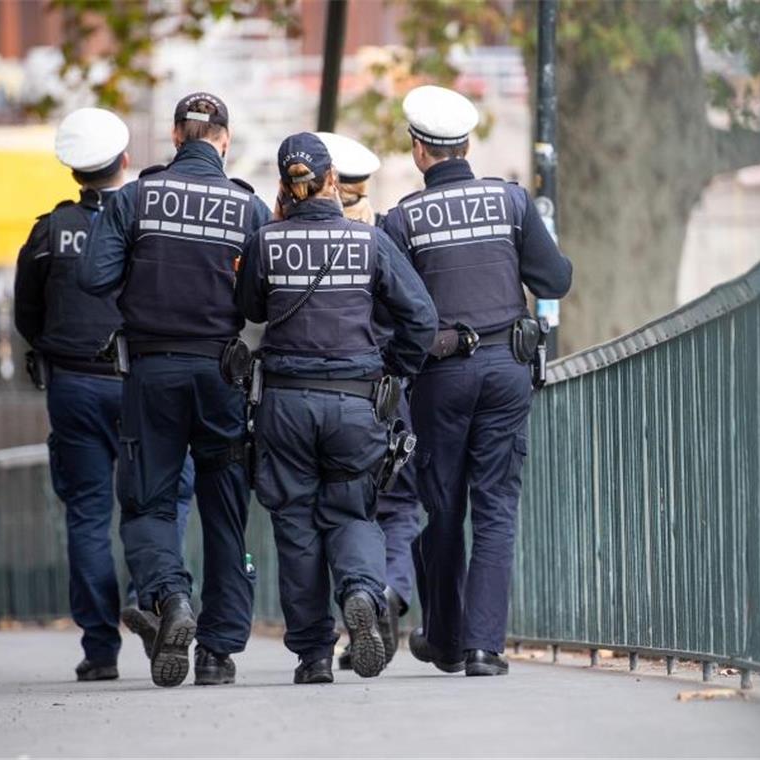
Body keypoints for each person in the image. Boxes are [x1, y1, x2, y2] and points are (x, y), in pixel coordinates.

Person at [78, 92, 270, 688]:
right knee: (225, 513)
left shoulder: (135, 198)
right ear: (224, 140)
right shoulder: (249, 206)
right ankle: (218, 653)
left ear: (175, 135)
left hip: (153, 373)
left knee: (147, 502)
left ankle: (169, 597)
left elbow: (93, 277)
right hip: (222, 374)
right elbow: (263, 299)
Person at [381, 85, 573, 677]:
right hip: (508, 370)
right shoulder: (511, 204)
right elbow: (556, 279)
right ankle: (484, 648)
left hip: (441, 376)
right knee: (495, 508)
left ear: (419, 151)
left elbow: (392, 311)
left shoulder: (402, 221)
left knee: (442, 508)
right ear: (467, 144)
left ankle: (443, 636)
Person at [236, 132, 436, 684]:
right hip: (356, 403)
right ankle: (362, 596)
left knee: (296, 524)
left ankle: (313, 656)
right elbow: (420, 315)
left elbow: (248, 308)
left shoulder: (266, 241)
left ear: (284, 187)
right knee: (352, 514)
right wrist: (391, 368)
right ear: (331, 180)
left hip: (284, 404)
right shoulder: (369, 243)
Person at [13, 107, 195, 682]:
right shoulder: (147, 218)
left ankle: (99, 650)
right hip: (142, 382)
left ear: (74, 171)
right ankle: (155, 598)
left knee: (88, 515)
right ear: (123, 160)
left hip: (72, 385)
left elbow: (27, 315)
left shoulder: (48, 231)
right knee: (164, 498)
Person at [315, 131, 420, 670]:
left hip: (314, 395)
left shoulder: (298, 236)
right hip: (386, 392)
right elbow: (417, 316)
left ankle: (351, 612)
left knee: (340, 511)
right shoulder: (385, 238)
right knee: (399, 504)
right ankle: (392, 588)